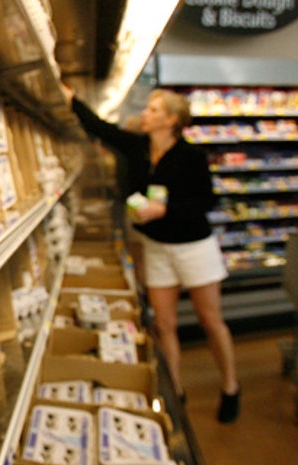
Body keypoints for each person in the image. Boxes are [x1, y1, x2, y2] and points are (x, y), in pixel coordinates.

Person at [63, 86, 240, 423]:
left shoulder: (191, 156)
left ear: (171, 119)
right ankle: (176, 390)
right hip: (156, 248)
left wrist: (166, 209)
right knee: (164, 323)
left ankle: (230, 385)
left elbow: (207, 202)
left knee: (210, 320)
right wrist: (71, 98)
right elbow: (100, 128)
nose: (145, 113)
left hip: (193, 246)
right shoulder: (138, 147)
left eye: (154, 110)